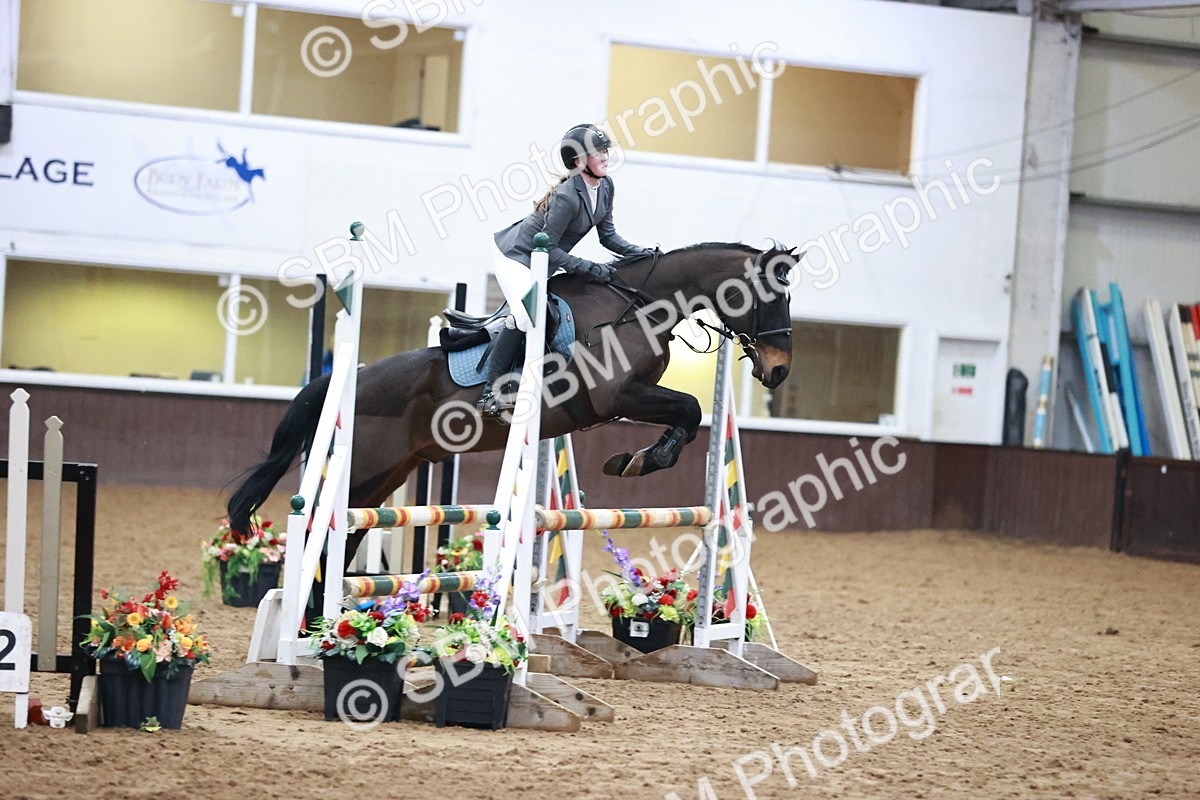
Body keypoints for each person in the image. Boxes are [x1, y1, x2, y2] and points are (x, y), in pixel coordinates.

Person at [479, 123, 654, 418]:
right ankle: (489, 394)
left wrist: (643, 253)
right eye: (598, 151)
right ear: (578, 161)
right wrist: (590, 268)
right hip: (516, 257)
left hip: (541, 260)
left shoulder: (606, 186)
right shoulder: (567, 197)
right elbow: (546, 248)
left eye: (605, 150)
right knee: (525, 315)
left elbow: (608, 237)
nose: (605, 156)